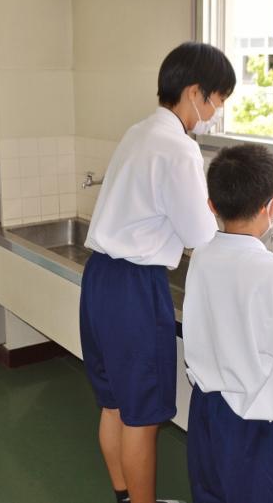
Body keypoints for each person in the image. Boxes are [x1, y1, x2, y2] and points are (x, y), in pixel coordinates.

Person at [79, 42, 235, 503]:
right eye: (217, 101)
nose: (215, 113)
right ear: (194, 93)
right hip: (134, 290)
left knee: (113, 406)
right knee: (142, 419)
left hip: (99, 280)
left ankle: (125, 497)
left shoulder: (138, 132)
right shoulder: (179, 149)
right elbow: (201, 234)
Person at [183, 144, 273, 503]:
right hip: (254, 430)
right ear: (272, 206)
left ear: (212, 205)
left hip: (206, 416)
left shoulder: (201, 256)